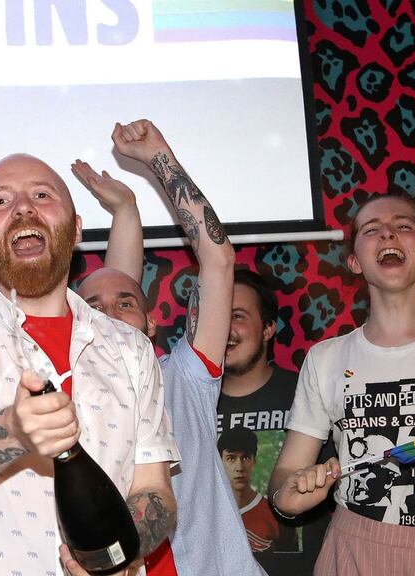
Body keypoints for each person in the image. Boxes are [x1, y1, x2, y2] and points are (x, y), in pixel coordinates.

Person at [0, 149, 179, 575]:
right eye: (0, 201)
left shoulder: (130, 348)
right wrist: (14, 432)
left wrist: (119, 558)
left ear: (77, 228)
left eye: (42, 195)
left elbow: (154, 490)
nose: (24, 208)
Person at [74, 120, 264, 576]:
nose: (112, 316)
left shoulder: (184, 377)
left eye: (127, 305)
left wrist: (159, 158)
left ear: (152, 323)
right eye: (94, 309)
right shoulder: (60, 400)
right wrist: (126, 212)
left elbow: (218, 259)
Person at [269, 194, 415, 574]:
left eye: (404, 226)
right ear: (354, 261)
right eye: (372, 230)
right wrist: (289, 497)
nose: (388, 234)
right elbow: (284, 477)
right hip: (352, 549)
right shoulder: (325, 358)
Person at [219, 268, 330, 574]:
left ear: (268, 328)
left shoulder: (307, 392)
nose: (225, 328)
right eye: (216, 316)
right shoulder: (188, 403)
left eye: (238, 316)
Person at [218, 427, 287, 553]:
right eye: (231, 458)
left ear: (254, 460)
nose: (239, 467)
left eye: (245, 458)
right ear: (220, 462)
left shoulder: (275, 514)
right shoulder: (206, 513)